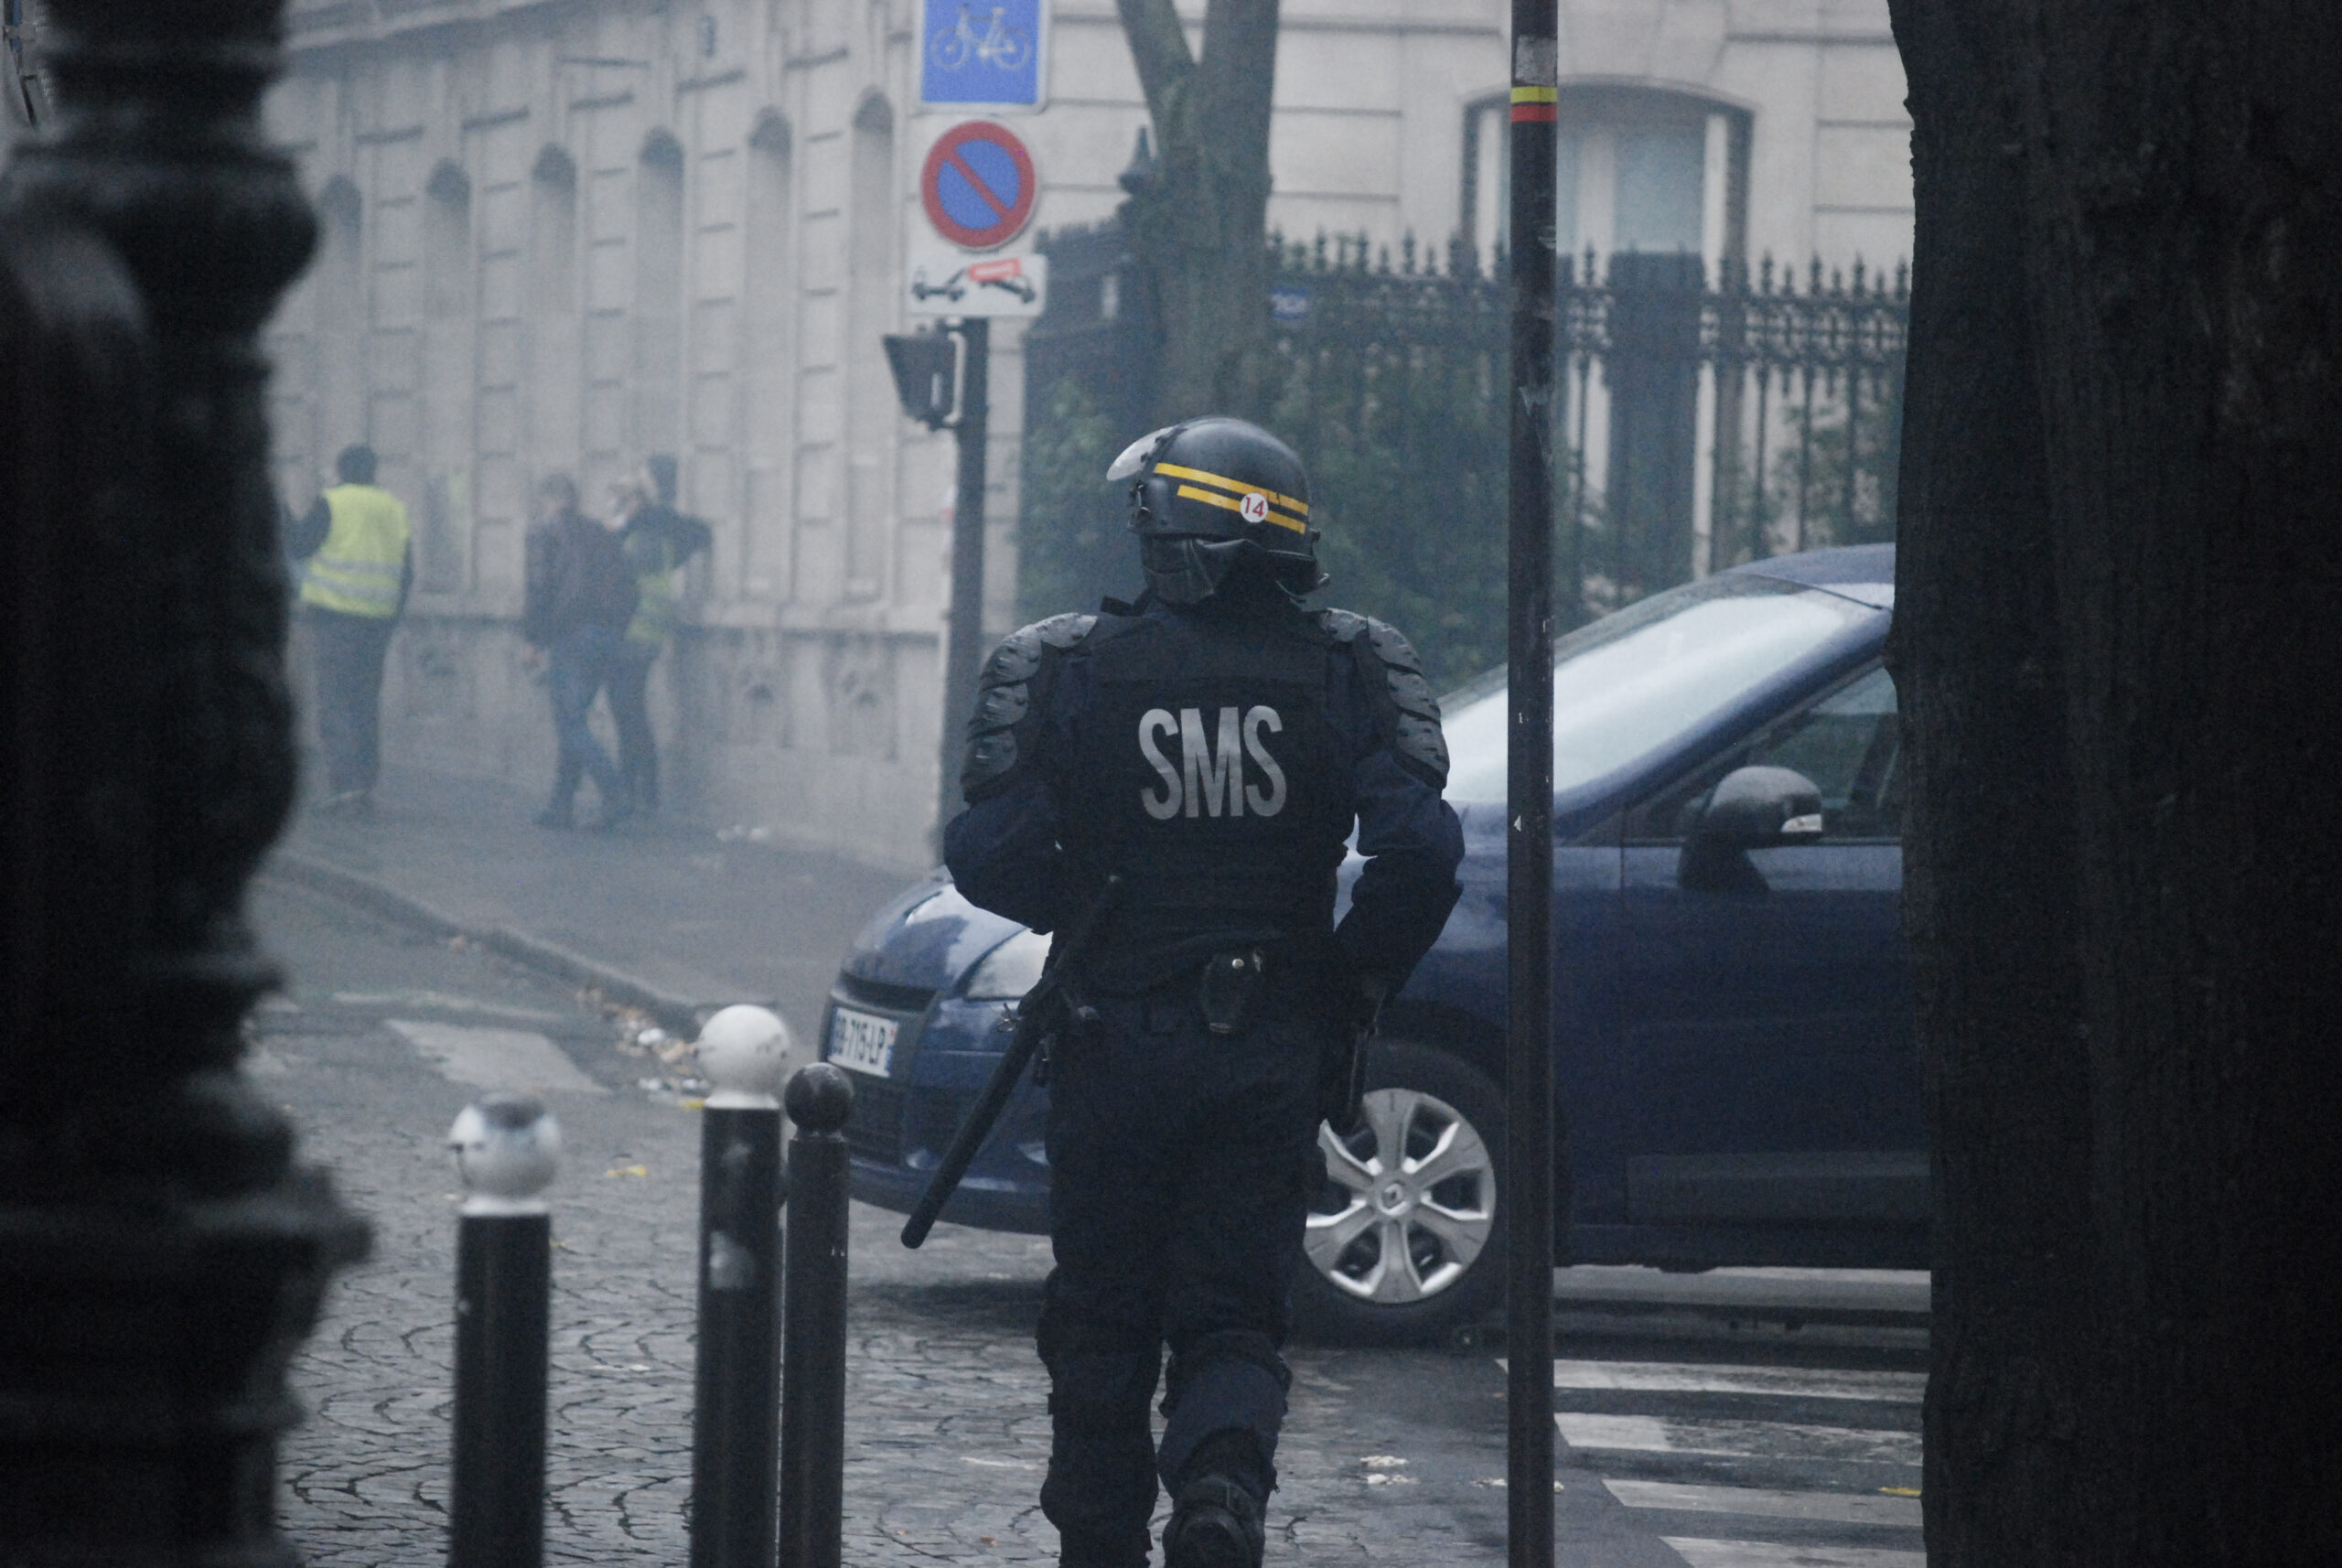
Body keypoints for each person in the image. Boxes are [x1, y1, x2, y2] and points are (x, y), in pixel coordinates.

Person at [943, 417, 1465, 1568]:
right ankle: (1221, 1488)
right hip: (1270, 1046)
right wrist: (1348, 980)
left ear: (1168, 534)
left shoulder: (1074, 667)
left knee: (1100, 1315)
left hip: (1114, 1039)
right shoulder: (1347, 667)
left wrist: (1085, 916)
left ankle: (1100, 1542)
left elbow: (984, 850)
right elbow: (1421, 852)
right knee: (1233, 1313)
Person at [289, 443, 412, 813]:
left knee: (335, 702)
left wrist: (284, 515)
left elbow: (298, 546)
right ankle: (365, 783)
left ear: (341, 470)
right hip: (377, 622)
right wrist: (392, 614)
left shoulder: (332, 502)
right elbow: (407, 569)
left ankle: (345, 787)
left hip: (335, 619)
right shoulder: (393, 507)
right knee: (364, 703)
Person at [521, 472, 636, 831]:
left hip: (571, 634)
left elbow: (539, 586)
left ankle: (615, 793)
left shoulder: (543, 531)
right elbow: (629, 585)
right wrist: (617, 627)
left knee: (570, 723)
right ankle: (560, 806)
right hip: (610, 634)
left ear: (548, 498)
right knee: (575, 720)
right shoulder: (601, 531)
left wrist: (533, 640)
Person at [606, 456, 711, 814]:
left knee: (627, 708)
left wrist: (621, 525)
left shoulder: (644, 534)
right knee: (630, 707)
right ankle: (642, 786)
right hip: (645, 630)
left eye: (623, 500)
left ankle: (635, 786)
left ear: (638, 500)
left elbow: (621, 577)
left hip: (634, 630)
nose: (617, 506)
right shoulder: (653, 531)